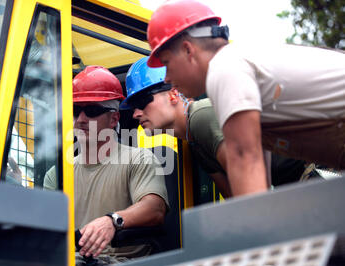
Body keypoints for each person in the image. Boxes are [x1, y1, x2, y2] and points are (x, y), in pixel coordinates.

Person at [146, 0, 345, 196]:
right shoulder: (238, 66)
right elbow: (260, 182)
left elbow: (245, 159)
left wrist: (253, 226)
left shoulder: (224, 68)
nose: (167, 77)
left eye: (166, 63)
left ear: (188, 50)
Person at [121, 57, 307, 198]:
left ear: (173, 94)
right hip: (291, 195)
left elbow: (252, 192)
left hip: (306, 184)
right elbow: (236, 199)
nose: (136, 113)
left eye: (142, 101)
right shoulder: (194, 141)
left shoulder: (202, 116)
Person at [44, 66, 168, 266]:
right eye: (76, 111)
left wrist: (113, 221)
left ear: (114, 119)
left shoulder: (138, 159)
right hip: (69, 265)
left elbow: (155, 209)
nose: (81, 120)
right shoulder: (57, 175)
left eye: (92, 111)